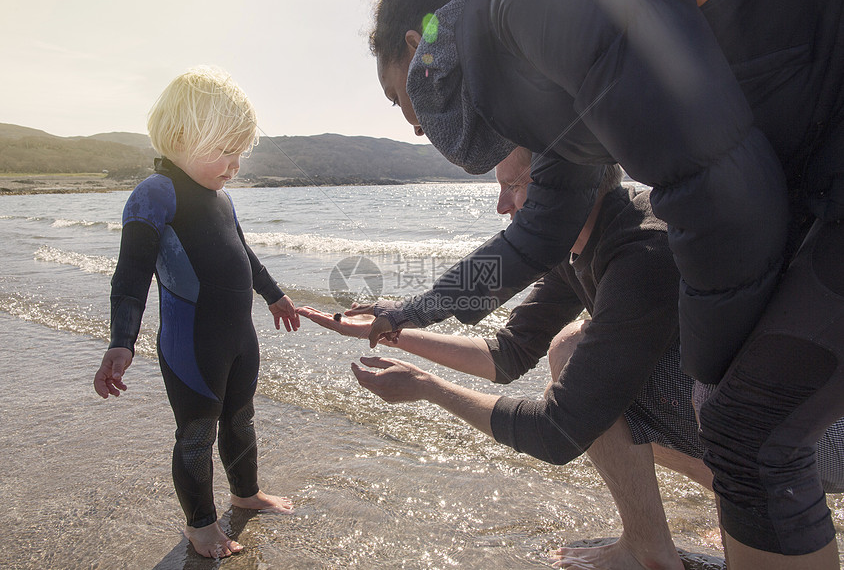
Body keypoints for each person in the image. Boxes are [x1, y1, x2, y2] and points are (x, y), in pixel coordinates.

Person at [364, 0, 844, 568]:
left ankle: (698, 526)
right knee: (722, 422)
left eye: (399, 101)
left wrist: (716, 376)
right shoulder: (554, 119)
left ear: (420, 53)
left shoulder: (532, 23)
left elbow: (713, 182)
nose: (416, 128)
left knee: (744, 431)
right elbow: (524, 280)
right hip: (804, 178)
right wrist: (405, 316)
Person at [307, 147, 844, 568]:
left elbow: (558, 432)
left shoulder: (642, 248)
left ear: (565, 181)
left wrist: (428, 387)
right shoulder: (577, 247)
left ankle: (649, 550)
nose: (501, 206)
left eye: (513, 185)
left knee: (573, 352)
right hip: (754, 428)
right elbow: (507, 353)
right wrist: (392, 333)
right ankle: (729, 503)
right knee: (587, 364)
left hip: (809, 435)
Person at [92, 66, 300, 559]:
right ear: (183, 136)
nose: (235, 165)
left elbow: (244, 256)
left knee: (241, 419)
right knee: (196, 434)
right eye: (225, 151)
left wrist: (274, 295)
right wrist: (122, 339)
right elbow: (131, 274)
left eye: (240, 154)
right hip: (191, 344)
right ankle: (200, 526)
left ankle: (245, 493)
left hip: (238, 339)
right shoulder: (154, 194)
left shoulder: (222, 199)